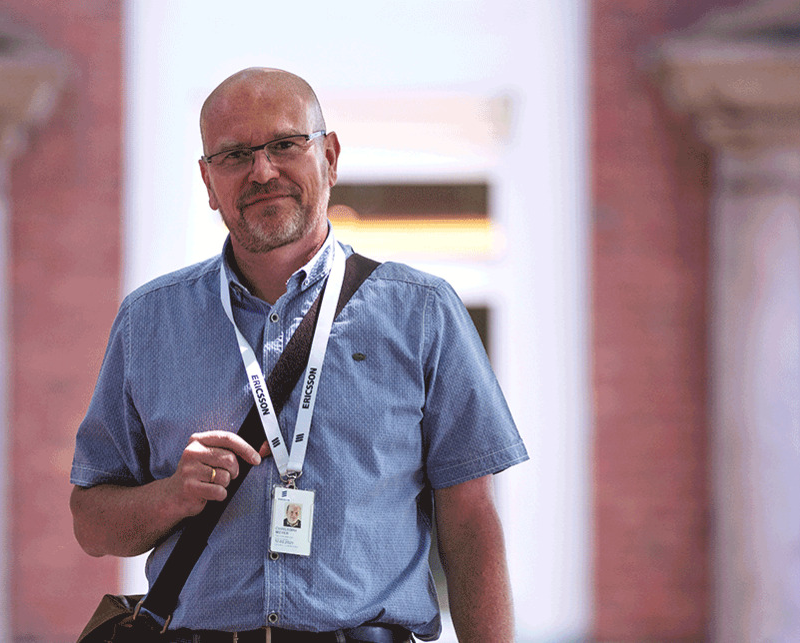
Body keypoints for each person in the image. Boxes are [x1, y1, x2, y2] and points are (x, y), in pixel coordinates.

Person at [70, 67, 528, 643]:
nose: (263, 171)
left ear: (330, 157)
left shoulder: (422, 312)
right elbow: (91, 524)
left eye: (285, 145)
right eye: (235, 155)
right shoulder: (149, 322)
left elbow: (471, 522)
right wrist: (172, 497)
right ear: (208, 183)